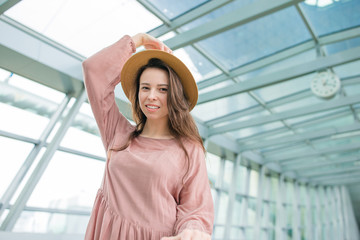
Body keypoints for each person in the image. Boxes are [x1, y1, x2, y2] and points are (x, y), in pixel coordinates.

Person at [82, 33, 214, 240]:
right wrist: (139, 40)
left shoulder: (189, 149)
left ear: (175, 96)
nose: (151, 95)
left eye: (163, 89)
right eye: (145, 87)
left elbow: (195, 208)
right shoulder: (118, 133)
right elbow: (93, 71)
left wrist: (191, 231)